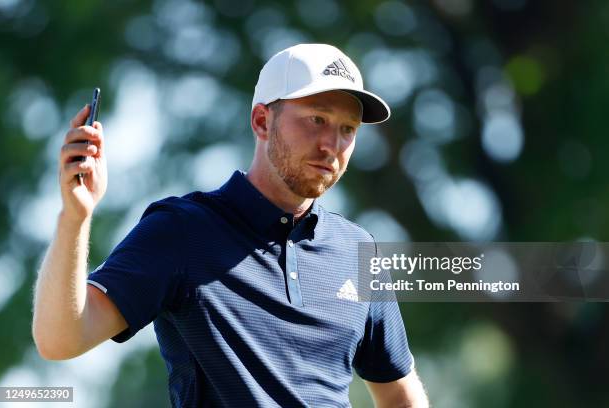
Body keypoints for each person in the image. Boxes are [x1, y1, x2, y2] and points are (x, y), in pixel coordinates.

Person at [32, 43, 429, 407]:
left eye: (347, 130)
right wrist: (75, 218)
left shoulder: (358, 251)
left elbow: (399, 392)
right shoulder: (181, 231)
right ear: (261, 121)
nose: (332, 145)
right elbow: (60, 339)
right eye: (317, 119)